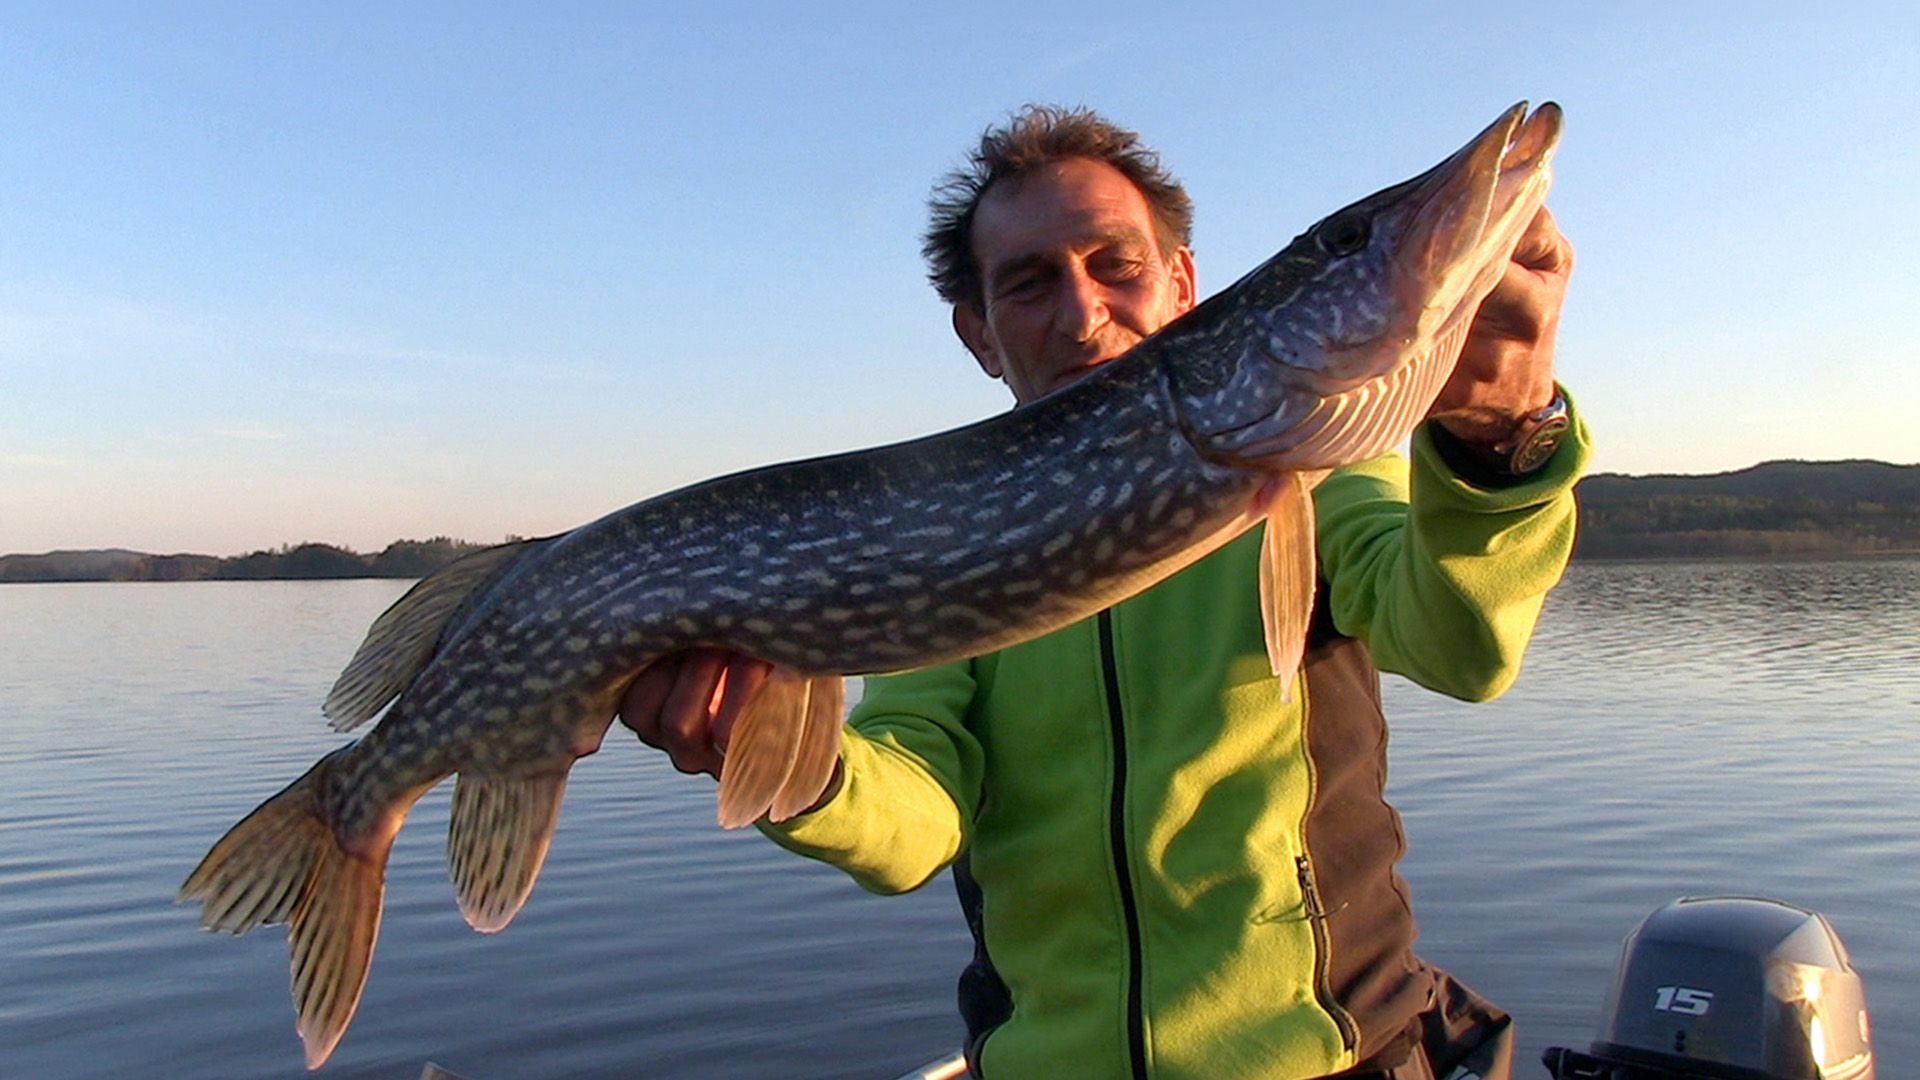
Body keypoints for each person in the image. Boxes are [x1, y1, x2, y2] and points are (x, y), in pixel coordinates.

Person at [621, 105, 1589, 1080]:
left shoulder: (1325, 472)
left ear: (1182, 288)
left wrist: (1504, 436)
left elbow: (1460, 647)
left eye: (1114, 266)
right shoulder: (944, 536)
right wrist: (796, 764)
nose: (1083, 314)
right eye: (1031, 284)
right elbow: (917, 819)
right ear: (981, 334)